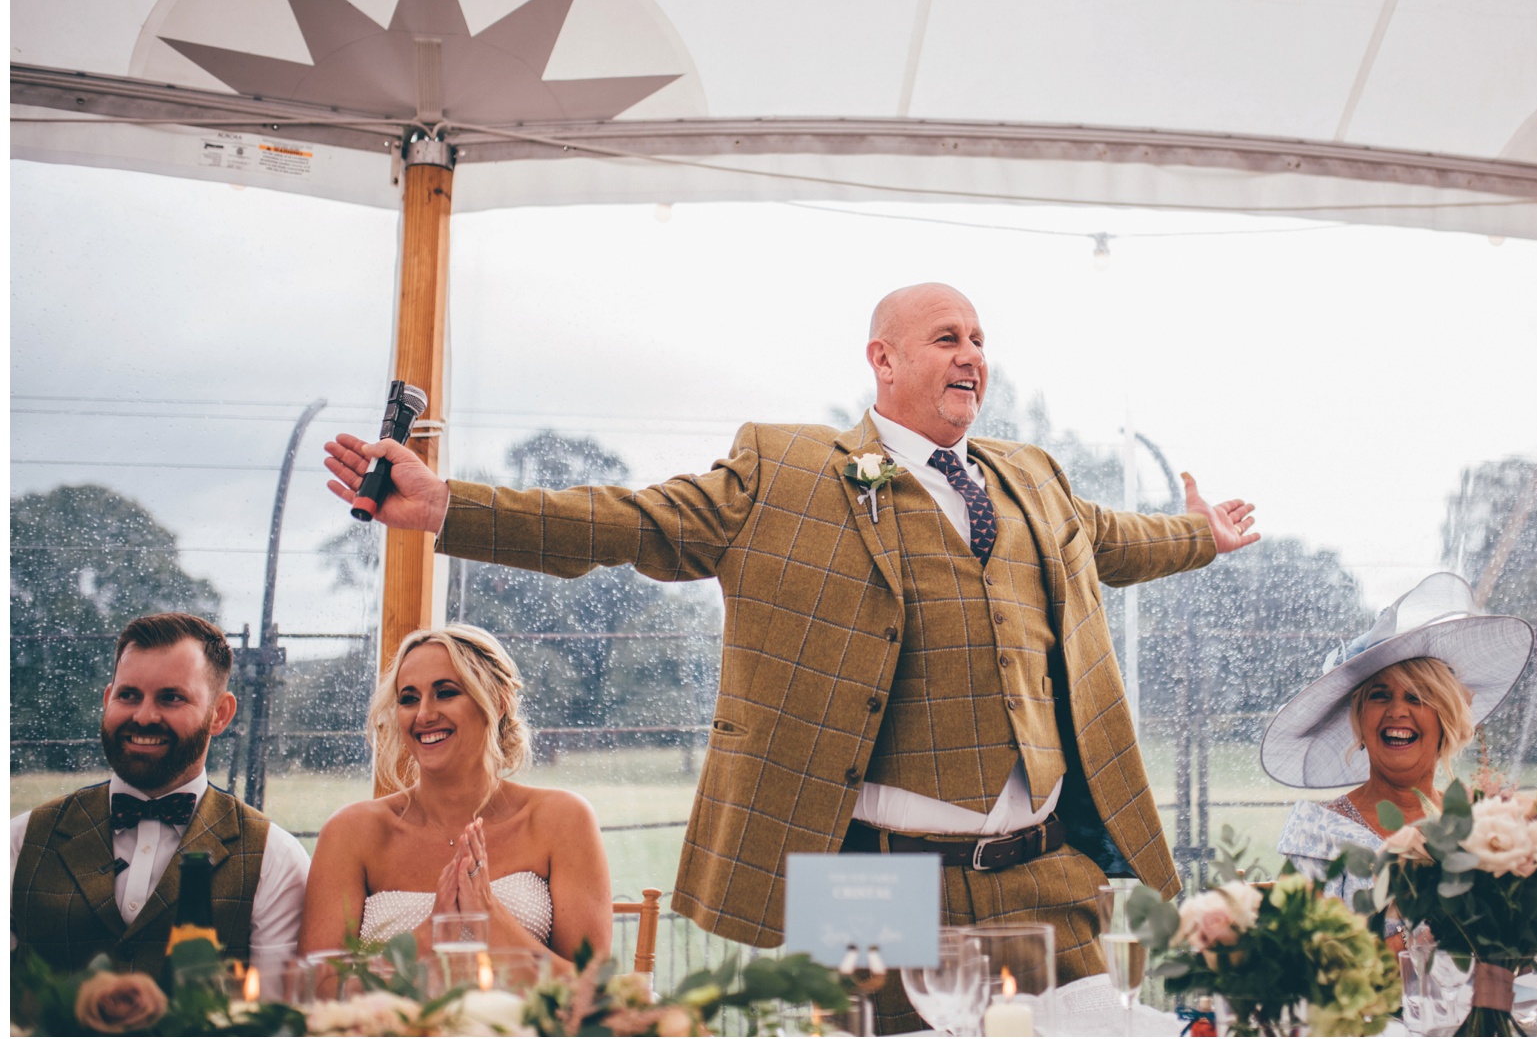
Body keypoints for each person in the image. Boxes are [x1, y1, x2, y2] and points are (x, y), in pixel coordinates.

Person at [324, 281, 1259, 1031]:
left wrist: (1199, 536)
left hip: (1044, 868)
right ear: (882, 360)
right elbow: (633, 521)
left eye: (978, 337)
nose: (971, 353)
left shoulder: (1033, 474)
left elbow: (1107, 540)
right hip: (866, 873)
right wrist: (449, 507)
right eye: (945, 336)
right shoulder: (784, 467)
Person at [11, 613, 311, 973]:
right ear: (108, 700)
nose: (144, 716)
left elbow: (276, 1015)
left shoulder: (274, 859)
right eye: (128, 695)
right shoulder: (19, 842)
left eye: (171, 698)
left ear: (220, 714)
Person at [299, 624, 610, 969]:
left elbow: (592, 992)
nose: (424, 715)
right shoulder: (350, 832)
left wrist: (489, 919)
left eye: (445, 693)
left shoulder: (562, 819)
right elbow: (318, 990)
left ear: (499, 700)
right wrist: (431, 934)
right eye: (409, 699)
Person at [1261, 572, 1534, 905]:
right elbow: (1298, 951)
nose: (1396, 711)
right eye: (1380, 695)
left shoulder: (1485, 822)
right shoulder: (1318, 832)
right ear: (1360, 719)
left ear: (1445, 720)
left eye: (1417, 697)